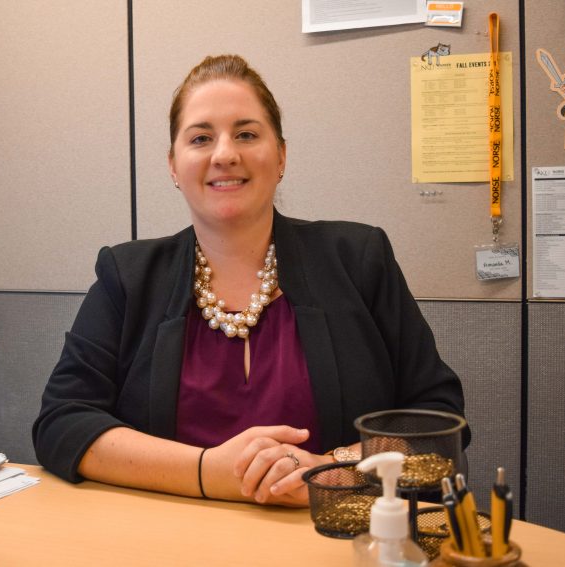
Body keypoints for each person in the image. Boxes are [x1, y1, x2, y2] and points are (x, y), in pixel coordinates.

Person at [32, 54, 468, 507]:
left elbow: (436, 423)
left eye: (246, 134)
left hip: (330, 539)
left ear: (280, 155)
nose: (225, 154)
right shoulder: (127, 276)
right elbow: (63, 423)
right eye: (201, 138)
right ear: (173, 166)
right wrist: (207, 473)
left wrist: (331, 470)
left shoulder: (358, 259)